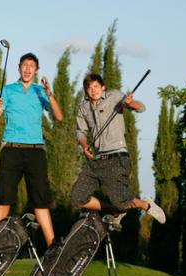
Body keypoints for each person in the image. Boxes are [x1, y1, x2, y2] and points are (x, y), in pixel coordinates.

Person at [0, 52, 63, 247]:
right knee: (4, 198)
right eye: (24, 65)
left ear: (36, 70)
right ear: (19, 67)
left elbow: (59, 116)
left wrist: (50, 95)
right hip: (11, 148)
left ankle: (52, 247)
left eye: (31, 65)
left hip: (35, 150)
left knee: (40, 200)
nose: (28, 68)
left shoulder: (40, 91)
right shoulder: (7, 90)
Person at [70, 73, 166, 224]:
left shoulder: (114, 96)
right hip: (97, 160)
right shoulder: (83, 108)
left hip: (117, 157)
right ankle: (115, 211)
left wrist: (130, 102)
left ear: (103, 87)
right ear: (86, 91)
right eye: (89, 88)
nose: (93, 90)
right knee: (78, 197)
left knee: (121, 200)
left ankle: (146, 204)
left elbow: (141, 108)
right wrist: (84, 145)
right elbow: (80, 132)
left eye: (96, 86)